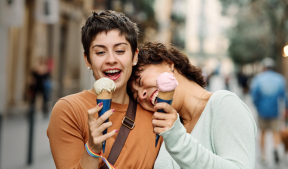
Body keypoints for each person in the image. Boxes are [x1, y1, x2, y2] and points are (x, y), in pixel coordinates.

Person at [47, 11, 161, 169]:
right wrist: (93, 149)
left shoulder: (154, 113)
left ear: (135, 56)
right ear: (87, 59)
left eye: (120, 51)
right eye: (100, 52)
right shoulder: (68, 110)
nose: (111, 60)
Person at [128, 42, 257, 169]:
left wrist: (177, 139)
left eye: (140, 81)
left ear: (168, 64)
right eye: (135, 95)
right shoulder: (169, 127)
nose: (141, 95)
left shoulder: (224, 104)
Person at [250, 57, 288, 164]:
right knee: (275, 132)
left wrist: (258, 106)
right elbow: (284, 97)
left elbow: (254, 96)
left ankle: (263, 156)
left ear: (264, 67)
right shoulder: (280, 79)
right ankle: (275, 148)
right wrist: (286, 109)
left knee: (262, 133)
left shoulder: (258, 79)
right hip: (274, 111)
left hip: (262, 111)